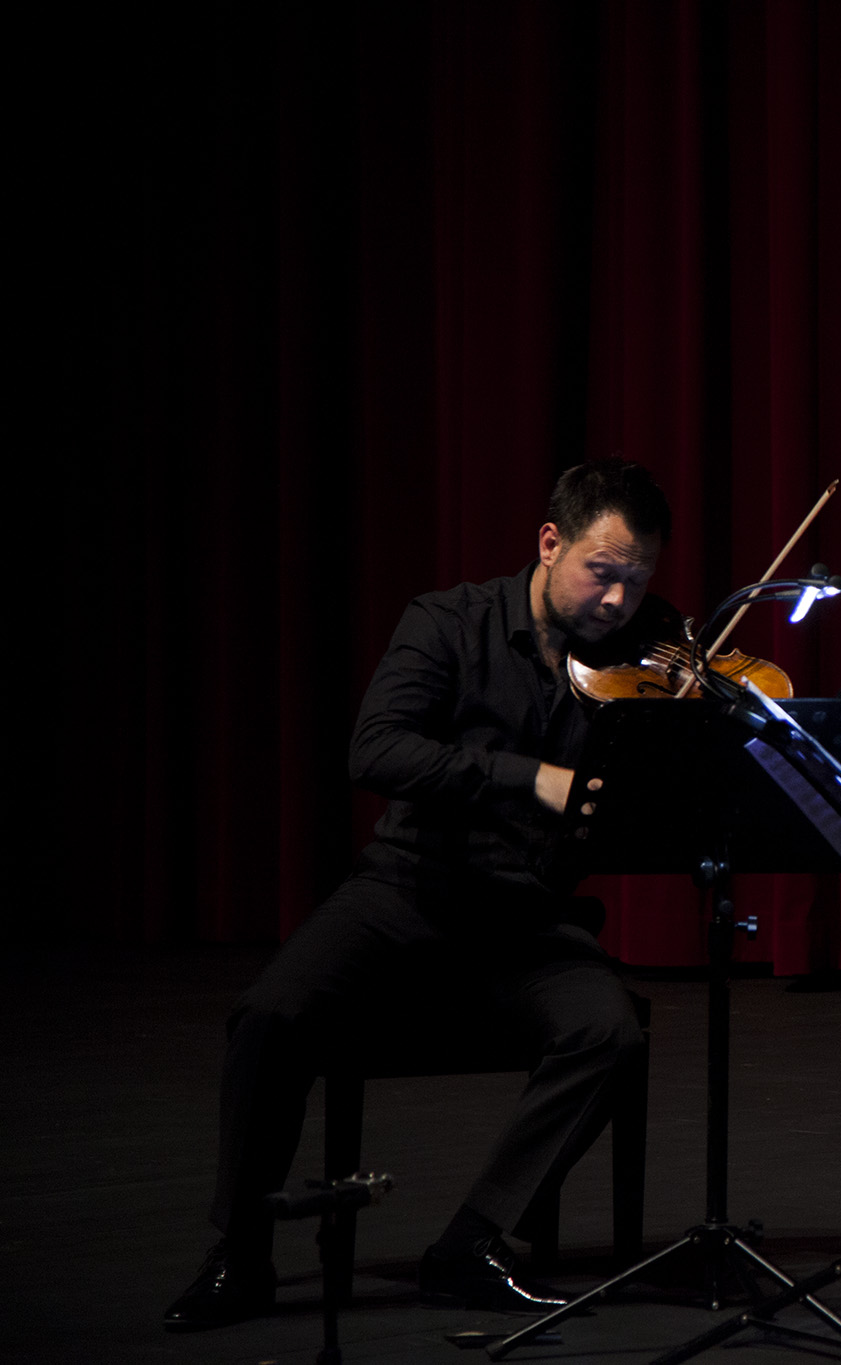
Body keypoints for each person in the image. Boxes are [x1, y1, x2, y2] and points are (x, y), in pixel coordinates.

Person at [164, 460, 670, 1330]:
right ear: (550, 544)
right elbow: (377, 750)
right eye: (604, 572)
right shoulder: (448, 622)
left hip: (527, 919)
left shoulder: (644, 655)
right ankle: (241, 1252)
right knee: (269, 1016)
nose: (620, 603)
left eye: (638, 580)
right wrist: (528, 777)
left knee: (609, 1031)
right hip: (409, 889)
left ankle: (470, 1244)